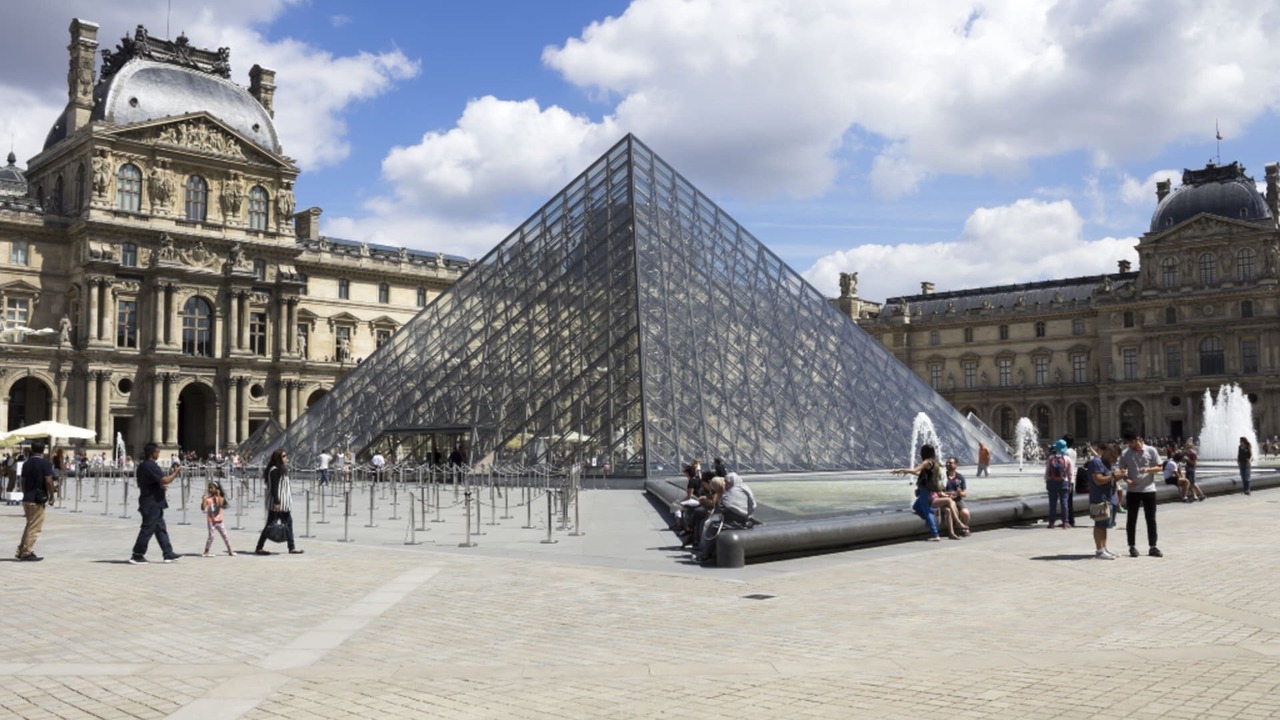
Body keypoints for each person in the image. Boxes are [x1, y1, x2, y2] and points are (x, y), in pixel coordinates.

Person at [129, 442, 183, 564]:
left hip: (152, 501)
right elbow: (165, 480)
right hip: (151, 503)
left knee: (160, 529)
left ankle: (168, 553)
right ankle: (137, 555)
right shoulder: (151, 466)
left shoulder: (143, 466)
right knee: (147, 529)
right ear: (153, 453)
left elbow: (150, 482)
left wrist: (159, 486)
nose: (158, 454)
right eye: (158, 452)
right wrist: (175, 473)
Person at [1118, 434, 1163, 558]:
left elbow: (1160, 467)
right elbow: (1121, 471)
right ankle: (1132, 546)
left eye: (1131, 442)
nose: (1129, 445)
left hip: (1149, 489)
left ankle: (1153, 546)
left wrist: (1148, 470)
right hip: (1133, 491)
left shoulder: (1151, 450)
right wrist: (1127, 481)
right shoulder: (1125, 453)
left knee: (1151, 519)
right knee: (1131, 520)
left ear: (1138, 439)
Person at [893, 444, 950, 541]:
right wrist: (908, 472)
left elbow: (915, 469)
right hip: (929, 490)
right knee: (916, 507)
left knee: (926, 512)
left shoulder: (926, 462)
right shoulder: (934, 463)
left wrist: (902, 470)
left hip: (924, 490)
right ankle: (934, 512)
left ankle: (936, 535)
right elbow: (921, 473)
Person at [255, 448, 303, 555]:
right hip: (278, 504)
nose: (286, 458)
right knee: (271, 525)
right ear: (278, 458)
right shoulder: (275, 470)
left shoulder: (279, 469)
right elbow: (274, 488)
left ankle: (291, 547)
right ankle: (260, 547)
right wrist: (277, 502)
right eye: (284, 456)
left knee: (284, 524)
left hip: (283, 504)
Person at [15, 441, 55, 561]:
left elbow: (22, 480)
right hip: (37, 500)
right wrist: (52, 495)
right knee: (35, 527)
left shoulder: (26, 463)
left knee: (29, 525)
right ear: (43, 450)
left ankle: (21, 549)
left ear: (32, 449)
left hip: (27, 498)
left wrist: (25, 493)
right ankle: (27, 552)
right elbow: (48, 480)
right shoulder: (45, 463)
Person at [1086, 443, 1126, 559]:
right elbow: (1098, 480)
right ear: (1108, 453)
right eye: (1114, 457)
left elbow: (1109, 478)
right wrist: (1114, 475)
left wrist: (1120, 475)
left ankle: (1104, 548)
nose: (1115, 460)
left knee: (1105, 525)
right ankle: (1099, 550)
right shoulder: (1096, 462)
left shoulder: (1108, 463)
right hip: (1099, 497)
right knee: (1099, 524)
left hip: (1109, 497)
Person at [1044, 439, 1075, 529]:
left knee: (1052, 503)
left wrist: (1047, 480)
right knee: (1064, 503)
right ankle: (1065, 522)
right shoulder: (1067, 458)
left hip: (1052, 482)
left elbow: (1047, 471)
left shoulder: (1050, 458)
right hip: (1064, 482)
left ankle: (1051, 523)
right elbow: (1070, 473)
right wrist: (1071, 483)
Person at [201, 481, 235, 557]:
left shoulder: (220, 498)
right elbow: (203, 508)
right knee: (211, 536)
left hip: (219, 521)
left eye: (211, 488)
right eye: (209, 488)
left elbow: (219, 504)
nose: (209, 489)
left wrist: (218, 495)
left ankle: (230, 550)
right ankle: (206, 551)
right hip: (211, 521)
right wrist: (203, 499)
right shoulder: (208, 499)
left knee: (225, 535)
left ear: (217, 489)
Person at [942, 456, 970, 530]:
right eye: (947, 463)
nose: (948, 464)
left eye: (950, 463)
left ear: (956, 465)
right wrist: (948, 494)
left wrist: (959, 493)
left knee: (965, 512)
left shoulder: (960, 477)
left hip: (958, 499)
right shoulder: (943, 477)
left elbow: (965, 493)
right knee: (955, 511)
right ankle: (956, 528)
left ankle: (965, 528)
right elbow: (938, 491)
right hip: (946, 500)